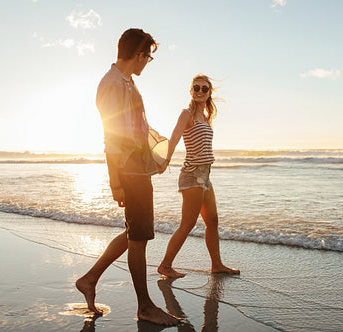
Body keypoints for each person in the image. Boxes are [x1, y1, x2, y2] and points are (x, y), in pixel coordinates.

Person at [75, 28, 179, 326]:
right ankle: (145, 307)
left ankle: (89, 278)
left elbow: (137, 129)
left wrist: (155, 157)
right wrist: (115, 180)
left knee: (135, 231)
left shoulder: (127, 83)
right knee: (139, 235)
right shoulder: (112, 84)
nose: (147, 62)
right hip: (129, 172)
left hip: (137, 167)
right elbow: (111, 134)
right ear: (138, 54)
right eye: (148, 56)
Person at [157, 75, 240, 278]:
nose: (200, 91)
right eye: (196, 87)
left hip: (205, 176)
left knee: (212, 220)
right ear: (191, 90)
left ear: (209, 92)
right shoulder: (187, 114)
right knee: (188, 223)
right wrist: (165, 159)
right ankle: (165, 265)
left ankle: (217, 264)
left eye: (204, 88)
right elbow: (175, 137)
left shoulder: (205, 117)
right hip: (192, 175)